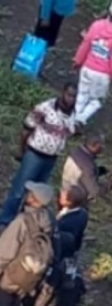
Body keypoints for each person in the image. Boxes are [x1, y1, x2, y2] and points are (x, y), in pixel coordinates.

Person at [11, 185, 90, 306]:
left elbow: (64, 242)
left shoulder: (68, 222)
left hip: (56, 265)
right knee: (47, 304)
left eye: (62, 194)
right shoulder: (81, 214)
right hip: (63, 265)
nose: (59, 194)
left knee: (39, 304)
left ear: (67, 201)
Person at [0, 85, 77, 228]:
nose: (70, 99)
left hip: (51, 158)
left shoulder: (72, 114)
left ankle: (24, 222)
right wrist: (22, 151)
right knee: (19, 190)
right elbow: (27, 129)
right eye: (68, 95)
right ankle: (5, 221)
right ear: (62, 93)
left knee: (38, 194)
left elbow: (69, 133)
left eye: (73, 96)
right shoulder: (45, 108)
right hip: (34, 154)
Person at [0, 182, 55, 306]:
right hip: (27, 281)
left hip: (8, 280)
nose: (27, 194)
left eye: (30, 192)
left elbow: (5, 253)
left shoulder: (22, 221)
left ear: (34, 199)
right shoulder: (48, 220)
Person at [72, 3, 112, 126]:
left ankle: (73, 118)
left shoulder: (97, 25)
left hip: (87, 68)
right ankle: (81, 119)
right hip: (102, 74)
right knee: (96, 100)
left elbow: (86, 43)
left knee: (81, 95)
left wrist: (77, 60)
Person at [62, 133, 112, 206]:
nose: (103, 148)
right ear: (96, 145)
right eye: (102, 145)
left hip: (65, 192)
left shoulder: (76, 152)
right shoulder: (88, 166)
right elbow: (95, 192)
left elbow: (82, 175)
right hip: (76, 201)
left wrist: (103, 170)